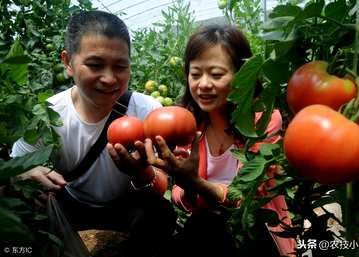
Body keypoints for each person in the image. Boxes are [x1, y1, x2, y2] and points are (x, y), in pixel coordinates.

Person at [11, 10, 176, 257]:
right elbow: (13, 172)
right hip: (70, 206)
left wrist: (140, 172)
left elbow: (159, 186)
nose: (110, 79)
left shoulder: (148, 111)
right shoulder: (46, 117)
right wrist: (25, 173)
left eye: (121, 66)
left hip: (126, 208)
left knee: (161, 214)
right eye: (95, 65)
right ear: (68, 62)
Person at [142, 25, 295, 257]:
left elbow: (249, 196)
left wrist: (194, 182)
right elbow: (180, 199)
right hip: (208, 231)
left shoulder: (263, 120)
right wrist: (185, 185)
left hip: (257, 231)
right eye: (195, 74)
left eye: (216, 74)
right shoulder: (186, 122)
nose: (203, 84)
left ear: (242, 74)